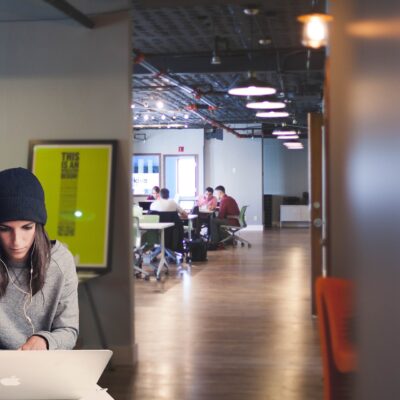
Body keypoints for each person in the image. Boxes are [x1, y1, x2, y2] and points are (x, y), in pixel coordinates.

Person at [0, 168, 79, 350]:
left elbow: (68, 331)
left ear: (38, 226)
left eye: (27, 227)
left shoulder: (60, 262)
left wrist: (45, 342)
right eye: (4, 229)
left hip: (42, 363)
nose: (16, 241)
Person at [209, 185, 240, 249]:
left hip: (232, 220)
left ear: (220, 192)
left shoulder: (224, 200)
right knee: (218, 224)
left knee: (213, 220)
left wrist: (215, 210)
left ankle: (215, 242)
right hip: (235, 219)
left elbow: (221, 216)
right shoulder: (229, 198)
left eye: (216, 193)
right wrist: (217, 209)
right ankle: (228, 240)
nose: (215, 196)